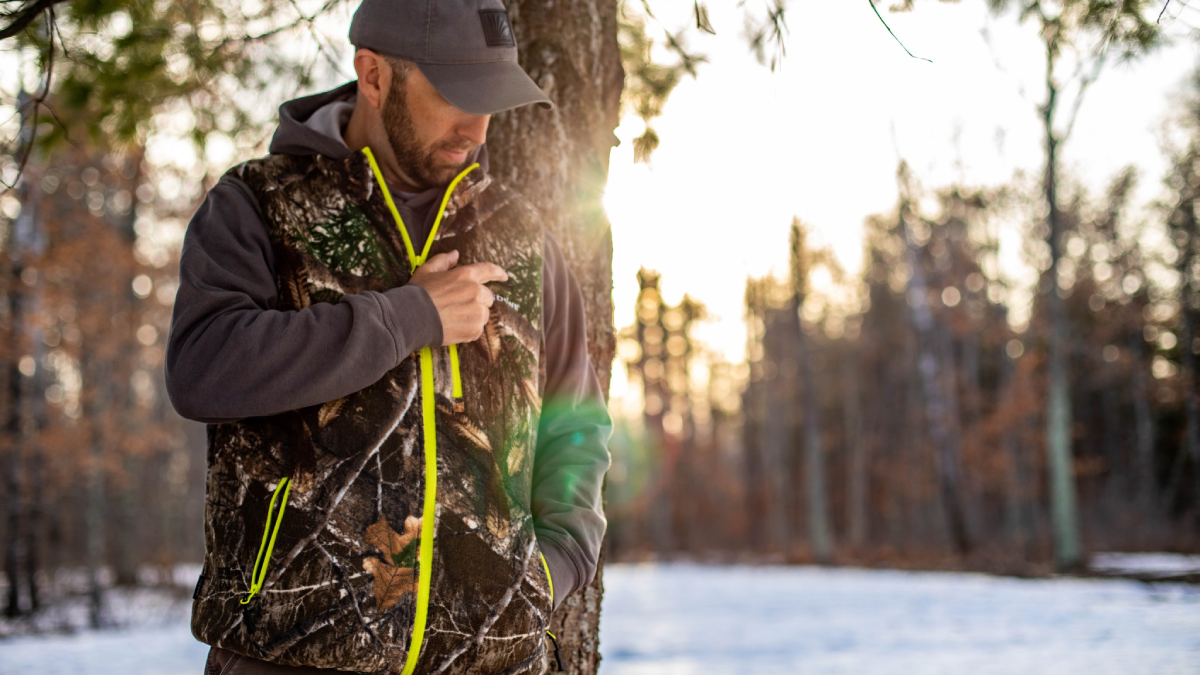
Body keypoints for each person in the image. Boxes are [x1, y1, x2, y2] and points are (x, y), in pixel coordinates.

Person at [164, 1, 612, 673]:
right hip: (293, 654)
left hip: (491, 657)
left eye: (490, 98)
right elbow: (203, 366)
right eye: (455, 94)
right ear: (373, 75)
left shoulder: (523, 240)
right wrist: (407, 317)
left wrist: (553, 568)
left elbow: (579, 423)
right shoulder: (256, 205)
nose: (476, 125)